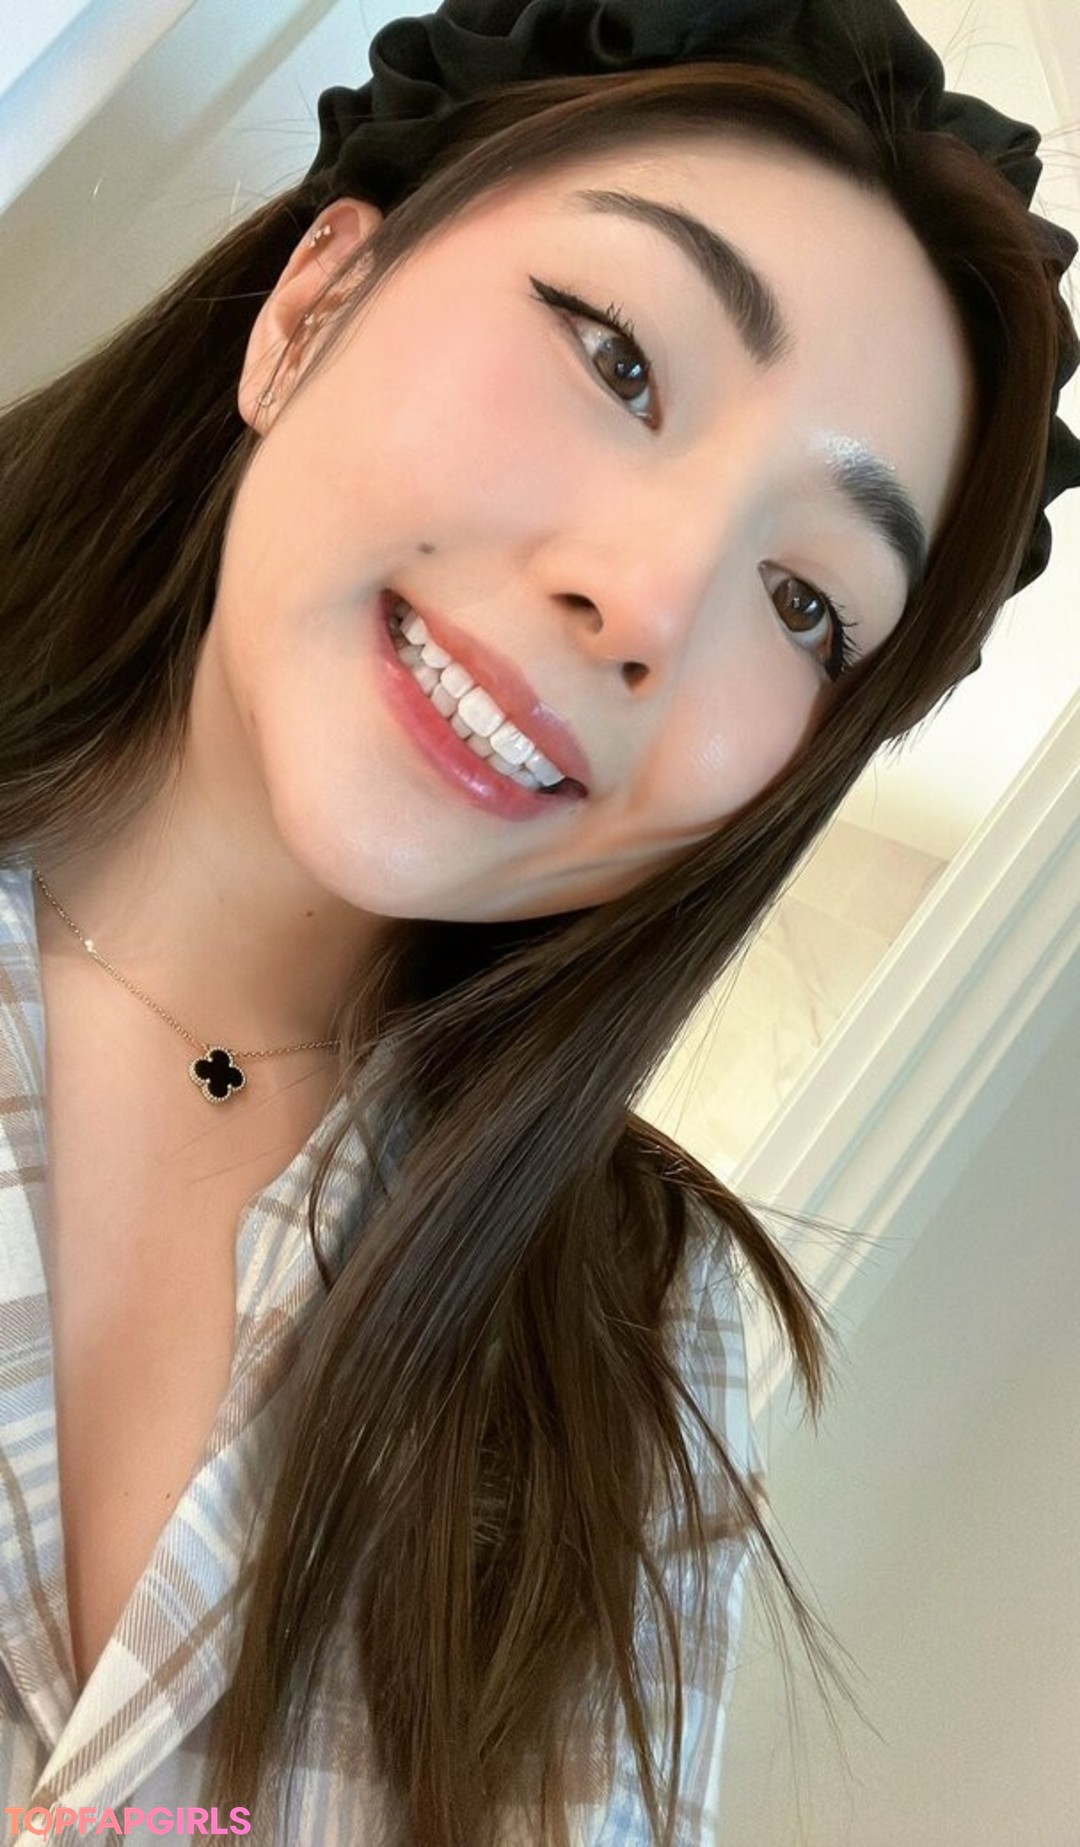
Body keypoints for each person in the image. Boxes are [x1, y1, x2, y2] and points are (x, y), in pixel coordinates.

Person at [1, 0, 1077, 1842]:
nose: (649, 603)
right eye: (619, 359)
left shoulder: (637, 1342)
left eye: (807, 602)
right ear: (313, 304)